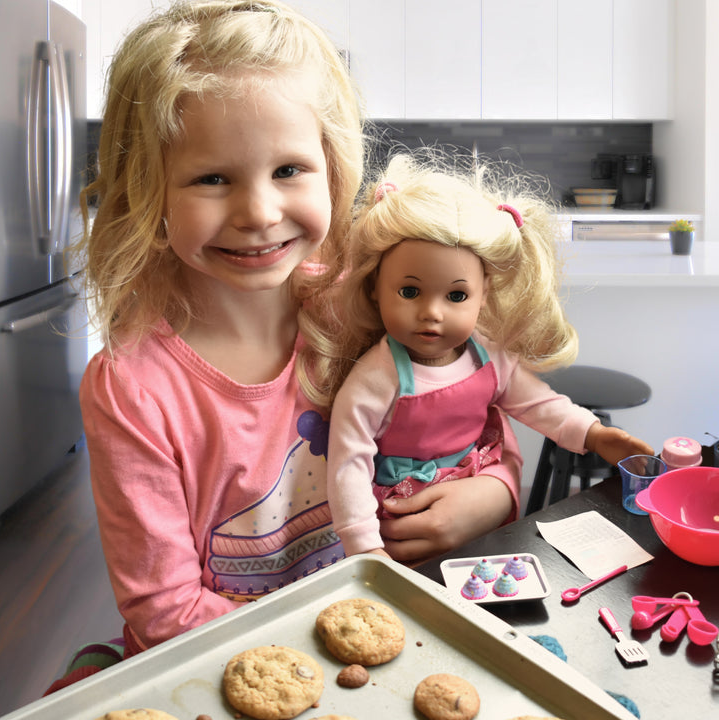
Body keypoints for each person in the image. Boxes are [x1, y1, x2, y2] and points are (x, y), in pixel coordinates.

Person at [69, 0, 522, 675]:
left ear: (332, 169)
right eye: (212, 178)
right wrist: (328, 651)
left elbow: (478, 428)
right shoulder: (134, 389)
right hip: (222, 670)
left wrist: (497, 491)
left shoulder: (366, 312)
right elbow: (167, 616)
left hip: (389, 651)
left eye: (288, 170)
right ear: (150, 195)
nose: (258, 212)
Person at [326, 153, 654, 557]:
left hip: (479, 498)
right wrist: (363, 547)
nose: (432, 312)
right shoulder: (377, 377)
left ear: (483, 298)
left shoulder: (489, 357)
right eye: (409, 292)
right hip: (399, 514)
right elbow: (349, 462)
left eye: (457, 295)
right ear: (375, 287)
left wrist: (594, 434)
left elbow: (540, 405)